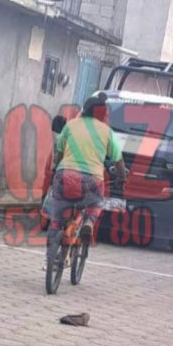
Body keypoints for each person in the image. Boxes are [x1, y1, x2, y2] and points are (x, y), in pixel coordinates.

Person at [46, 93, 126, 244]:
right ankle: (89, 223)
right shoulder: (106, 131)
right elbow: (118, 160)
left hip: (65, 175)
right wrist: (122, 177)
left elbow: (59, 152)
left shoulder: (70, 125)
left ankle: (49, 258)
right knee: (96, 202)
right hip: (92, 179)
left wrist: (57, 169)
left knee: (57, 216)